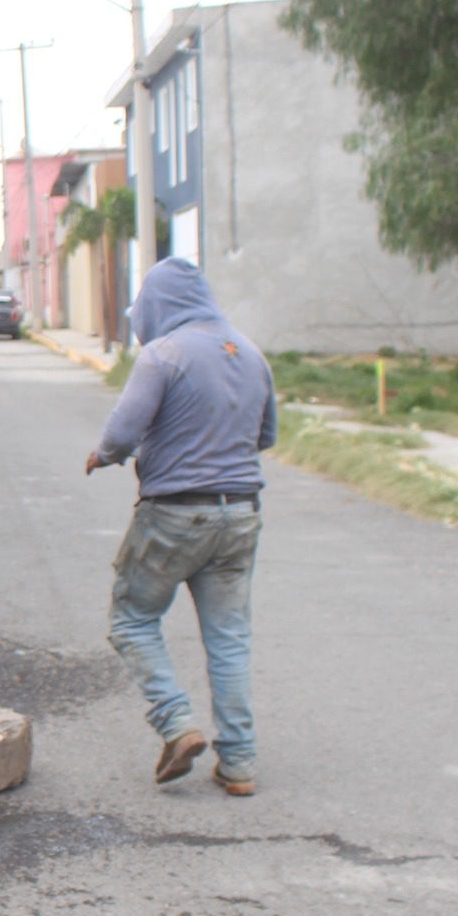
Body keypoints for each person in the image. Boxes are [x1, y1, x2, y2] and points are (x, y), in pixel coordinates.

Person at [84, 257, 278, 796]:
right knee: (229, 638)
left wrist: (103, 455)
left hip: (174, 514)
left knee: (131, 619)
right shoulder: (252, 352)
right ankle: (238, 762)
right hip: (241, 511)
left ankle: (177, 724)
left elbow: (123, 433)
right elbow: (266, 436)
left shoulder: (163, 354)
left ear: (156, 304)